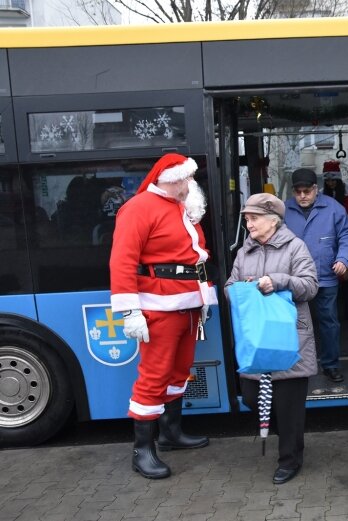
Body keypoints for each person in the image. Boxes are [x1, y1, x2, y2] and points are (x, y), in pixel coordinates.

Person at [110, 153, 218, 480]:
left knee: (179, 371)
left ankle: (171, 433)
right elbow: (122, 261)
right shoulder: (139, 208)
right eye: (186, 178)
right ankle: (142, 451)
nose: (190, 184)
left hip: (187, 303)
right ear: (171, 178)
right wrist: (130, 311)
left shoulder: (180, 208)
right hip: (158, 306)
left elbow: (191, 258)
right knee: (154, 375)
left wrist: (202, 298)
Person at [225, 193, 318, 485]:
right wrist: (244, 289)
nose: (248, 224)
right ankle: (290, 441)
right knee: (252, 399)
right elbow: (229, 287)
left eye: (253, 219)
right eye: (247, 219)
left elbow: (310, 286)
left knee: (288, 407)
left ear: (272, 220)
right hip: (255, 337)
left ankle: (290, 459)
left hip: (288, 337)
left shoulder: (295, 247)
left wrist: (277, 281)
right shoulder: (244, 251)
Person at [284, 168, 348, 383]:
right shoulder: (283, 210)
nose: (303, 196)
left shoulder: (333, 208)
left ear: (316, 189)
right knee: (294, 323)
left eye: (307, 191)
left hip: (325, 276)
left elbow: (347, 235)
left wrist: (343, 259)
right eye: (298, 192)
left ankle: (330, 365)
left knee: (329, 323)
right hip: (294, 279)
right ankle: (295, 366)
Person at [322, 160, 348, 322]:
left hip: (345, 241)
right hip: (327, 242)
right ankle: (332, 315)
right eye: (328, 180)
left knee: (347, 279)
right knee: (329, 279)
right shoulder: (321, 196)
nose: (330, 183)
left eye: (333, 180)